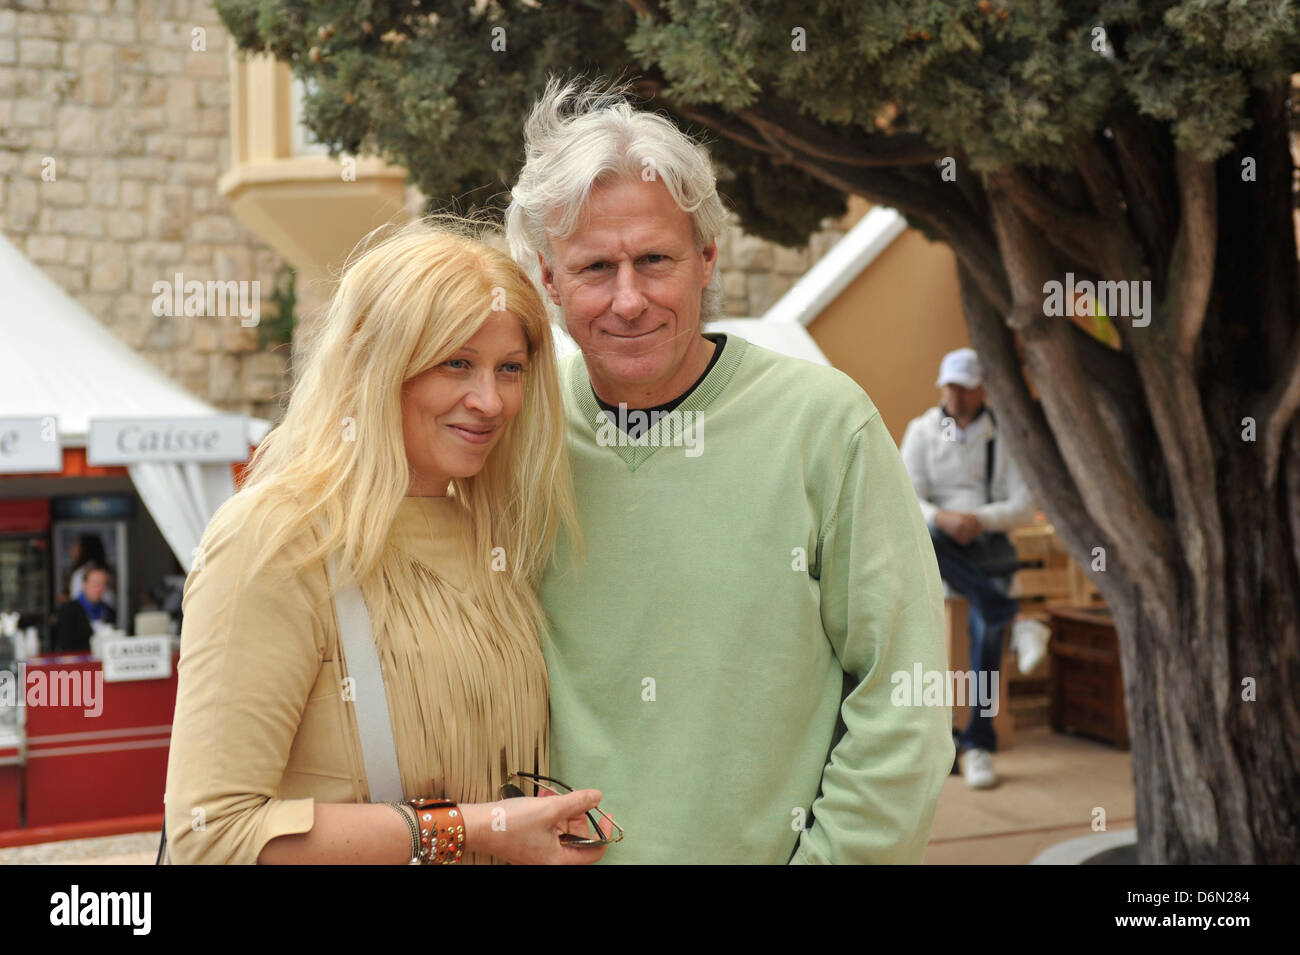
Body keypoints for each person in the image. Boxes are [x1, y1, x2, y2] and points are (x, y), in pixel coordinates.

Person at [505, 78, 954, 864]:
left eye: (655, 260)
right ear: (548, 280)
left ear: (707, 257)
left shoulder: (826, 425)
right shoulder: (517, 435)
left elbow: (903, 704)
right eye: (593, 269)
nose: (629, 298)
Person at [163, 220, 611, 865]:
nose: (489, 401)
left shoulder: (496, 533)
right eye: (456, 363)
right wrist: (473, 830)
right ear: (374, 364)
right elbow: (213, 834)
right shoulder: (275, 536)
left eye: (509, 369)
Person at [899, 347, 1041, 789]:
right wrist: (942, 518)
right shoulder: (921, 432)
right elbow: (904, 497)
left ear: (982, 388)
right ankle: (1013, 614)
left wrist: (980, 519)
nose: (954, 395)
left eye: (964, 386)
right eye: (949, 385)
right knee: (929, 536)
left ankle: (978, 744)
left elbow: (1023, 505)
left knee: (986, 633)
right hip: (937, 548)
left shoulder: (1007, 437)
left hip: (987, 551)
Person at [52, 562, 115, 653]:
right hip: (79, 665)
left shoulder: (109, 612)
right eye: (95, 583)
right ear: (85, 584)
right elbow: (65, 646)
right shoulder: (68, 611)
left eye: (103, 584)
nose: (99, 588)